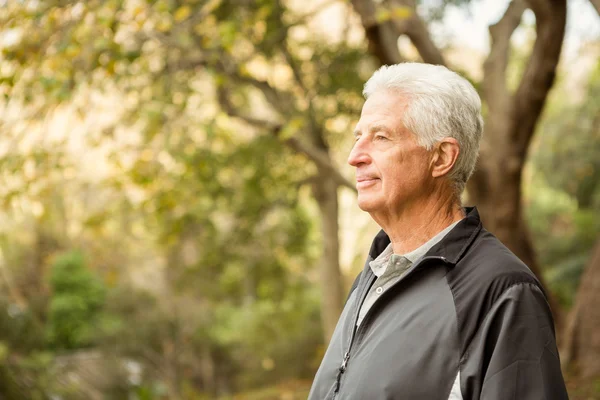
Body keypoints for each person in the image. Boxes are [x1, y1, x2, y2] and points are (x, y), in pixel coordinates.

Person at [308, 63, 568, 400]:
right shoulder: (371, 278)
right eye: (359, 138)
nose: (355, 156)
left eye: (381, 137)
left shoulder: (504, 290)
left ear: (441, 157)